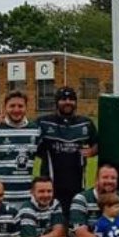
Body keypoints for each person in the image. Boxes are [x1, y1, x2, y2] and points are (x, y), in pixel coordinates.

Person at [37, 86, 97, 217]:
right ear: (56, 102)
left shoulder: (85, 123)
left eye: (71, 99)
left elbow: (98, 143)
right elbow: (26, 133)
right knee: (53, 222)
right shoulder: (43, 122)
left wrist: (92, 151)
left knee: (74, 221)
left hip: (76, 183)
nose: (67, 102)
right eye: (63, 99)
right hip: (51, 185)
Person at [0, 90, 41, 207]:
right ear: (5, 108)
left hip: (26, 199)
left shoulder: (35, 130)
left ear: (26, 107)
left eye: (20, 106)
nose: (16, 110)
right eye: (12, 106)